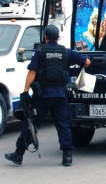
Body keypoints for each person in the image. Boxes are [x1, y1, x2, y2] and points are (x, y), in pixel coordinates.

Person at [4, 25, 91, 167]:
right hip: (61, 95)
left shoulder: (40, 52)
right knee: (63, 125)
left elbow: (32, 72)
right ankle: (67, 157)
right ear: (58, 38)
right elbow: (87, 62)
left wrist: (25, 92)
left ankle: (18, 154)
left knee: (31, 124)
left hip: (43, 96)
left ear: (45, 37)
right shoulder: (66, 52)